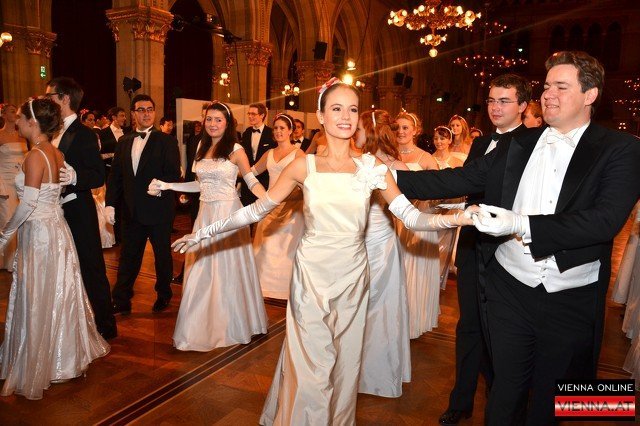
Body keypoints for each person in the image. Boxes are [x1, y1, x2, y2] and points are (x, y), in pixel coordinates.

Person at [171, 79, 476, 425]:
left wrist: (461, 218)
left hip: (354, 279)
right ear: (320, 115)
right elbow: (257, 210)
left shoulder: (373, 168)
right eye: (336, 109)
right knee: (311, 365)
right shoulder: (304, 166)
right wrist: (203, 233)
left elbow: (412, 217)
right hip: (310, 279)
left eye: (352, 109)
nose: (345, 117)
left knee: (345, 365)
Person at [396, 51, 640, 425]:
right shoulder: (517, 143)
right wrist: (385, 177)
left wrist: (520, 224)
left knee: (557, 399)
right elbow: (457, 179)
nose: (548, 94)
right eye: (547, 86)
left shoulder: (621, 148)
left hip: (572, 297)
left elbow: (604, 221)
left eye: (561, 87)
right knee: (504, 390)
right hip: (509, 289)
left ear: (590, 94)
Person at [0, 98, 109, 400]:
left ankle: (43, 361)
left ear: (32, 123)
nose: (16, 122)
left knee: (40, 293)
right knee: (57, 292)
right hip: (56, 229)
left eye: (20, 117)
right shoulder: (57, 153)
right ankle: (63, 358)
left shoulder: (35, 156)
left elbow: (29, 203)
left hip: (40, 233)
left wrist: (4, 235)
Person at [438, 73, 530, 426]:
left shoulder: (532, 145)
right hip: (473, 245)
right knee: (469, 327)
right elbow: (469, 188)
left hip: (506, 250)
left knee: (501, 332)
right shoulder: (481, 144)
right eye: (491, 100)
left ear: (523, 106)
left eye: (504, 101)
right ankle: (461, 401)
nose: (495, 107)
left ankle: (499, 402)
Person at [147, 101, 268, 350]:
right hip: (204, 214)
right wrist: (169, 185)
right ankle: (198, 328)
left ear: (227, 123)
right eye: (209, 119)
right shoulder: (201, 147)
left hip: (228, 214)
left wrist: (268, 200)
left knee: (227, 271)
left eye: (218, 119)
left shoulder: (236, 149)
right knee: (201, 270)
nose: (213, 124)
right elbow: (200, 185)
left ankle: (231, 325)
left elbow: (250, 180)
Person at [46, 77, 117, 340]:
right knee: (60, 266)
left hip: (78, 210)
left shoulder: (85, 134)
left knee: (91, 266)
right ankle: (68, 323)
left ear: (64, 98)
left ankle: (106, 324)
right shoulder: (48, 132)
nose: (46, 101)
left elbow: (97, 175)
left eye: (49, 96)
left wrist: (75, 177)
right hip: (52, 211)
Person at [105, 94, 181, 314]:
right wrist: (110, 204)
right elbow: (116, 177)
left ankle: (164, 294)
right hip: (131, 211)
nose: (146, 114)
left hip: (159, 209)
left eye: (150, 109)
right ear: (133, 114)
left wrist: (161, 187)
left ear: (154, 112)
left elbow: (173, 174)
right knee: (128, 256)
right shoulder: (124, 141)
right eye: (141, 110)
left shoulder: (167, 141)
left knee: (162, 256)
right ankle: (121, 298)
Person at [354, 109, 411, 398]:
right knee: (364, 304)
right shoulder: (358, 162)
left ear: (370, 131)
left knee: (375, 305)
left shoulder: (384, 166)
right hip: (359, 240)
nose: (354, 132)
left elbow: (405, 207)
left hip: (381, 241)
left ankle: (373, 371)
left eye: (358, 128)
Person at [395, 111, 442, 338]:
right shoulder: (387, 155)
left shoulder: (426, 158)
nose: (401, 131)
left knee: (412, 272)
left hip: (418, 221)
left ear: (415, 131)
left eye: (405, 127)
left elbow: (438, 192)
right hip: (392, 221)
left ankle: (412, 321)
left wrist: (422, 202)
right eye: (397, 127)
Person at [250, 113, 305, 299]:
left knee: (286, 248)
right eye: (276, 128)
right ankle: (262, 285)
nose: (279, 131)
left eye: (282, 128)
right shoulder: (269, 153)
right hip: (270, 204)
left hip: (291, 208)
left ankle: (286, 288)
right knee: (265, 246)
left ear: (290, 131)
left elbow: (306, 182)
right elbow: (252, 172)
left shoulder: (299, 154)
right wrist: (232, 167)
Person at [0, 103, 28, 271]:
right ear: (3, 115)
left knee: (22, 219)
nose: (15, 114)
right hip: (5, 182)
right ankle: (6, 260)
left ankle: (18, 260)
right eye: (12, 111)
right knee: (8, 219)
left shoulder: (22, 136)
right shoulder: (0, 135)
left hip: (21, 182)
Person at [239, 103, 275, 206]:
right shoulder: (246, 133)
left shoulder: (271, 133)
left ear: (262, 115)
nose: (250, 116)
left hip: (265, 181)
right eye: (249, 114)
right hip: (247, 181)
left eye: (253, 114)